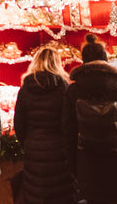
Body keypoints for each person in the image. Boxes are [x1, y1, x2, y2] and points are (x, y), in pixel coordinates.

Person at [64, 36, 117, 204]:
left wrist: (76, 171)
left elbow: (68, 134)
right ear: (105, 60)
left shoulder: (72, 93)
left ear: (83, 61)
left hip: (89, 171)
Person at [13, 47, 76, 204]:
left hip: (34, 150)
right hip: (59, 151)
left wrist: (28, 143)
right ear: (57, 64)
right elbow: (69, 123)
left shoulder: (25, 88)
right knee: (60, 194)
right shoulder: (64, 87)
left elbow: (19, 124)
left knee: (36, 194)